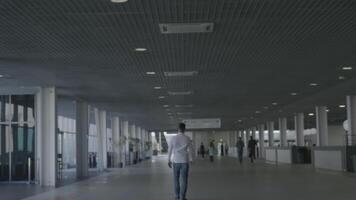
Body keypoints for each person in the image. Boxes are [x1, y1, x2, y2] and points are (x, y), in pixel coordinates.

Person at [168, 123, 194, 200]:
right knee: (184, 180)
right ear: (184, 129)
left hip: (175, 161)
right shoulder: (187, 138)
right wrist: (192, 159)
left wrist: (168, 160)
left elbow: (170, 150)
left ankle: (177, 196)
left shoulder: (173, 138)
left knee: (176, 179)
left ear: (178, 129)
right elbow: (191, 150)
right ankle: (182, 197)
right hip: (184, 162)